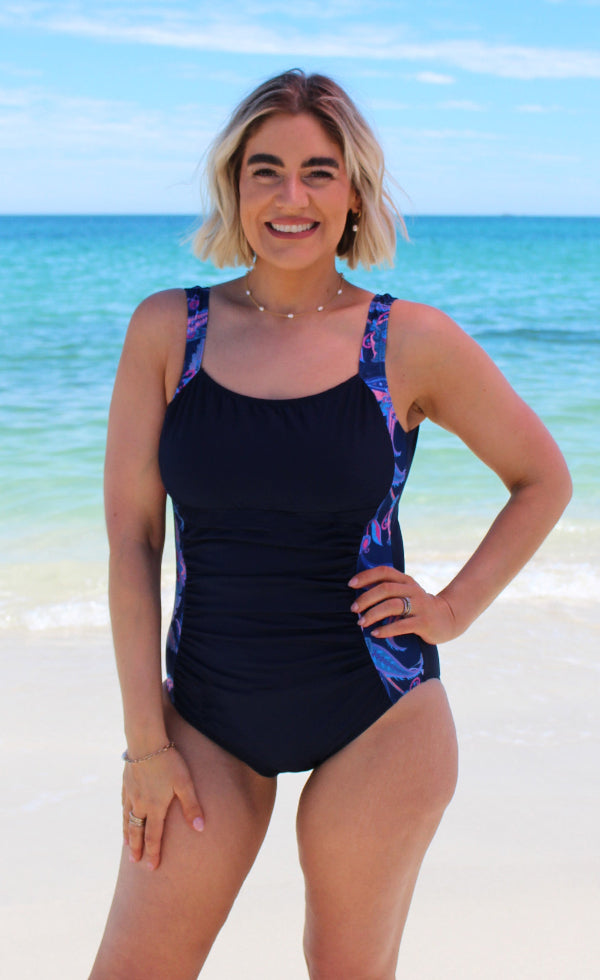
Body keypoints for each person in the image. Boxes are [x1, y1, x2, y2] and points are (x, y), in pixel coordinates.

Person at [89, 69, 571, 980]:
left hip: (377, 710)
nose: (290, 196)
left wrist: (454, 609)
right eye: (265, 169)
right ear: (234, 185)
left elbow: (541, 478)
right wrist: (146, 744)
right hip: (206, 710)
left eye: (318, 171)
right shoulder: (170, 331)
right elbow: (133, 541)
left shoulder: (407, 341)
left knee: (342, 966)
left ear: (354, 192)